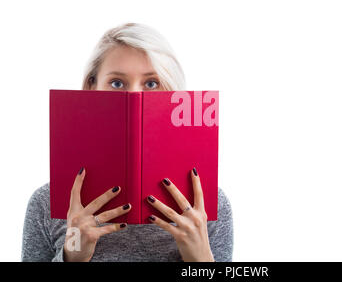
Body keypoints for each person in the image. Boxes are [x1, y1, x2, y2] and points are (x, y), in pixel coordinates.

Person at [21, 23, 233, 262]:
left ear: (173, 92)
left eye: (151, 83)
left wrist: (202, 259)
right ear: (91, 88)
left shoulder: (205, 208)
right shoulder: (46, 204)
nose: (134, 96)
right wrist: (72, 253)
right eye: (117, 83)